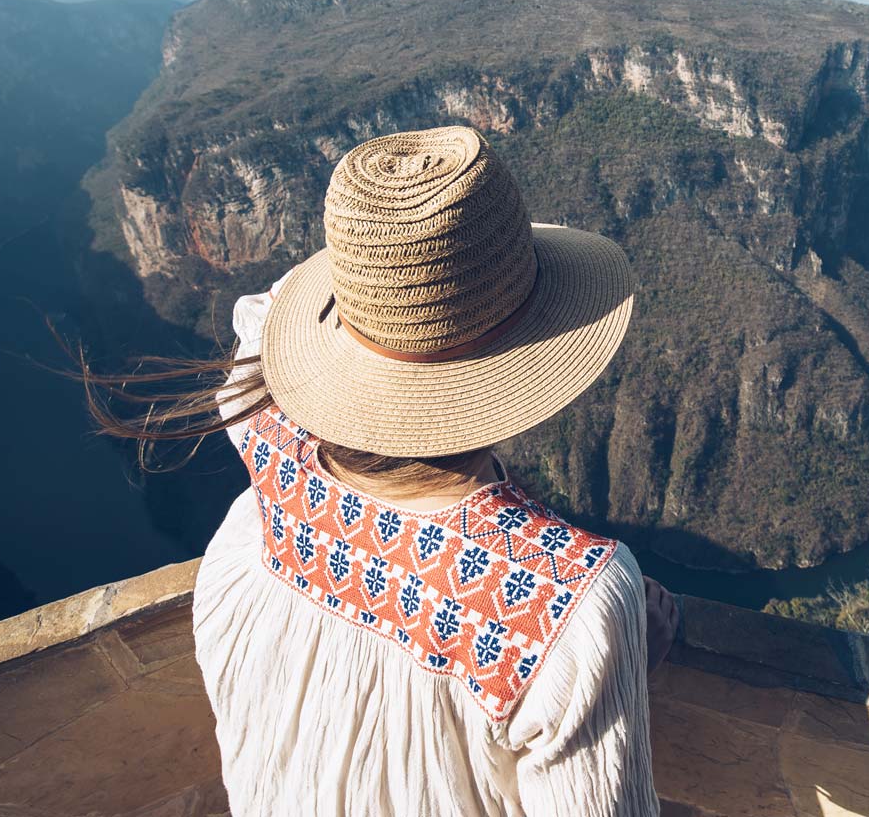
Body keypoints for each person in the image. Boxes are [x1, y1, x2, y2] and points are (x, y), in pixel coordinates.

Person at [81, 125, 675, 816]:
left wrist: (382, 285)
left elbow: (263, 318)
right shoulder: (565, 605)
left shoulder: (265, 432)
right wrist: (615, 662)